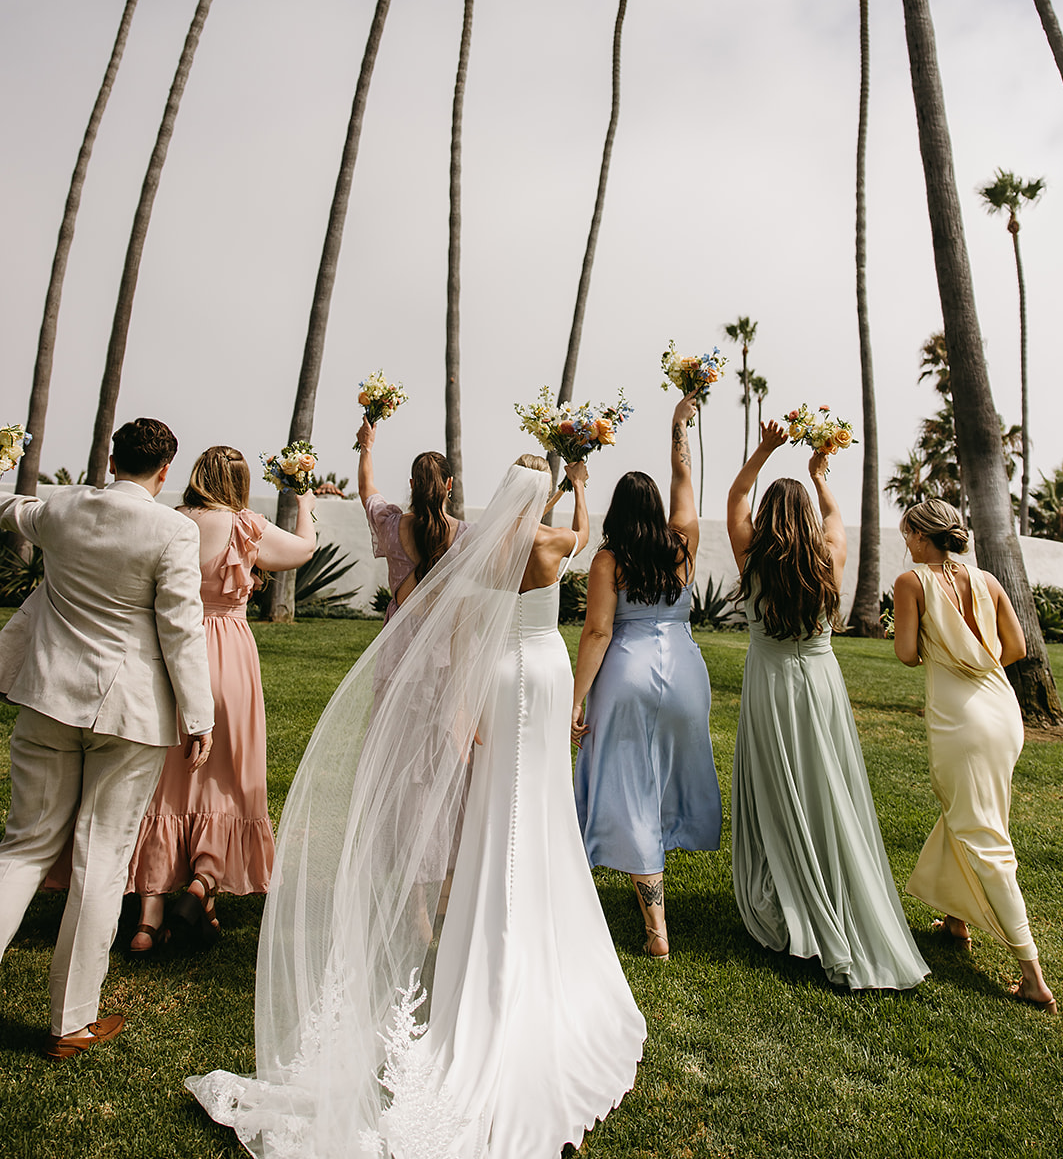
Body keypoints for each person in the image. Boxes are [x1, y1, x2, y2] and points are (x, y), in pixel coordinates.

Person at [187, 456, 645, 1158]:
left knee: (497, 798)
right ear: (542, 495)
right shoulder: (553, 542)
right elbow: (580, 533)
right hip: (546, 674)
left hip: (495, 677)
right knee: (542, 792)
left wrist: (465, 714)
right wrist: (577, 487)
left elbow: (462, 636)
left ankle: (481, 909)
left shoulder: (478, 550)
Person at [0, 418, 214, 1059]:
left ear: (112, 457)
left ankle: (72, 1019)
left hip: (47, 699)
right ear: (165, 470)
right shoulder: (173, 529)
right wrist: (198, 716)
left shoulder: (61, 508)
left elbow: (13, 509)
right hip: (130, 715)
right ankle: (70, 1022)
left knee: (22, 849)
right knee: (102, 861)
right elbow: (181, 627)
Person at [726, 421, 928, 992]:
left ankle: (785, 888)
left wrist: (765, 447)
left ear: (767, 517)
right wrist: (820, 475)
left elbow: (736, 496)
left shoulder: (754, 557)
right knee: (824, 786)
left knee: (774, 785)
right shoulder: (829, 556)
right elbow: (835, 516)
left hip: (770, 684)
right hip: (820, 684)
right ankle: (826, 883)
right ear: (809, 518)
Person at [125, 446, 316, 952]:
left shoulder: (172, 520)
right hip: (230, 653)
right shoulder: (245, 526)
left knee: (167, 776)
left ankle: (148, 916)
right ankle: (203, 882)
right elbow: (302, 550)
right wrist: (305, 499)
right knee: (229, 775)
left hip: (176, 652)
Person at [571, 392, 720, 958]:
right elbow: (684, 475)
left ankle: (656, 929)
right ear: (655, 510)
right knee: (664, 780)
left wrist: (576, 698)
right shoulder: (683, 542)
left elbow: (599, 633)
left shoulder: (609, 560)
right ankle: (661, 872)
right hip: (684, 672)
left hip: (629, 672)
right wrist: (679, 425)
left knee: (630, 786)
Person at [894, 498, 1056, 1012]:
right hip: (1001, 711)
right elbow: (1015, 648)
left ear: (922, 536)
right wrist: (977, 664)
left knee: (983, 834)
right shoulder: (987, 580)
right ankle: (957, 920)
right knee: (965, 814)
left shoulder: (911, 582)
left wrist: (940, 650)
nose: (905, 544)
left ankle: (1032, 974)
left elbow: (905, 653)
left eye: (907, 535)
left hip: (959, 719)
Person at [355, 416, 468, 621]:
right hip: (446, 639)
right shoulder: (466, 535)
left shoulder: (390, 524)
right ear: (449, 484)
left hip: (399, 643)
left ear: (412, 484)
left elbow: (366, 489)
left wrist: (366, 447)